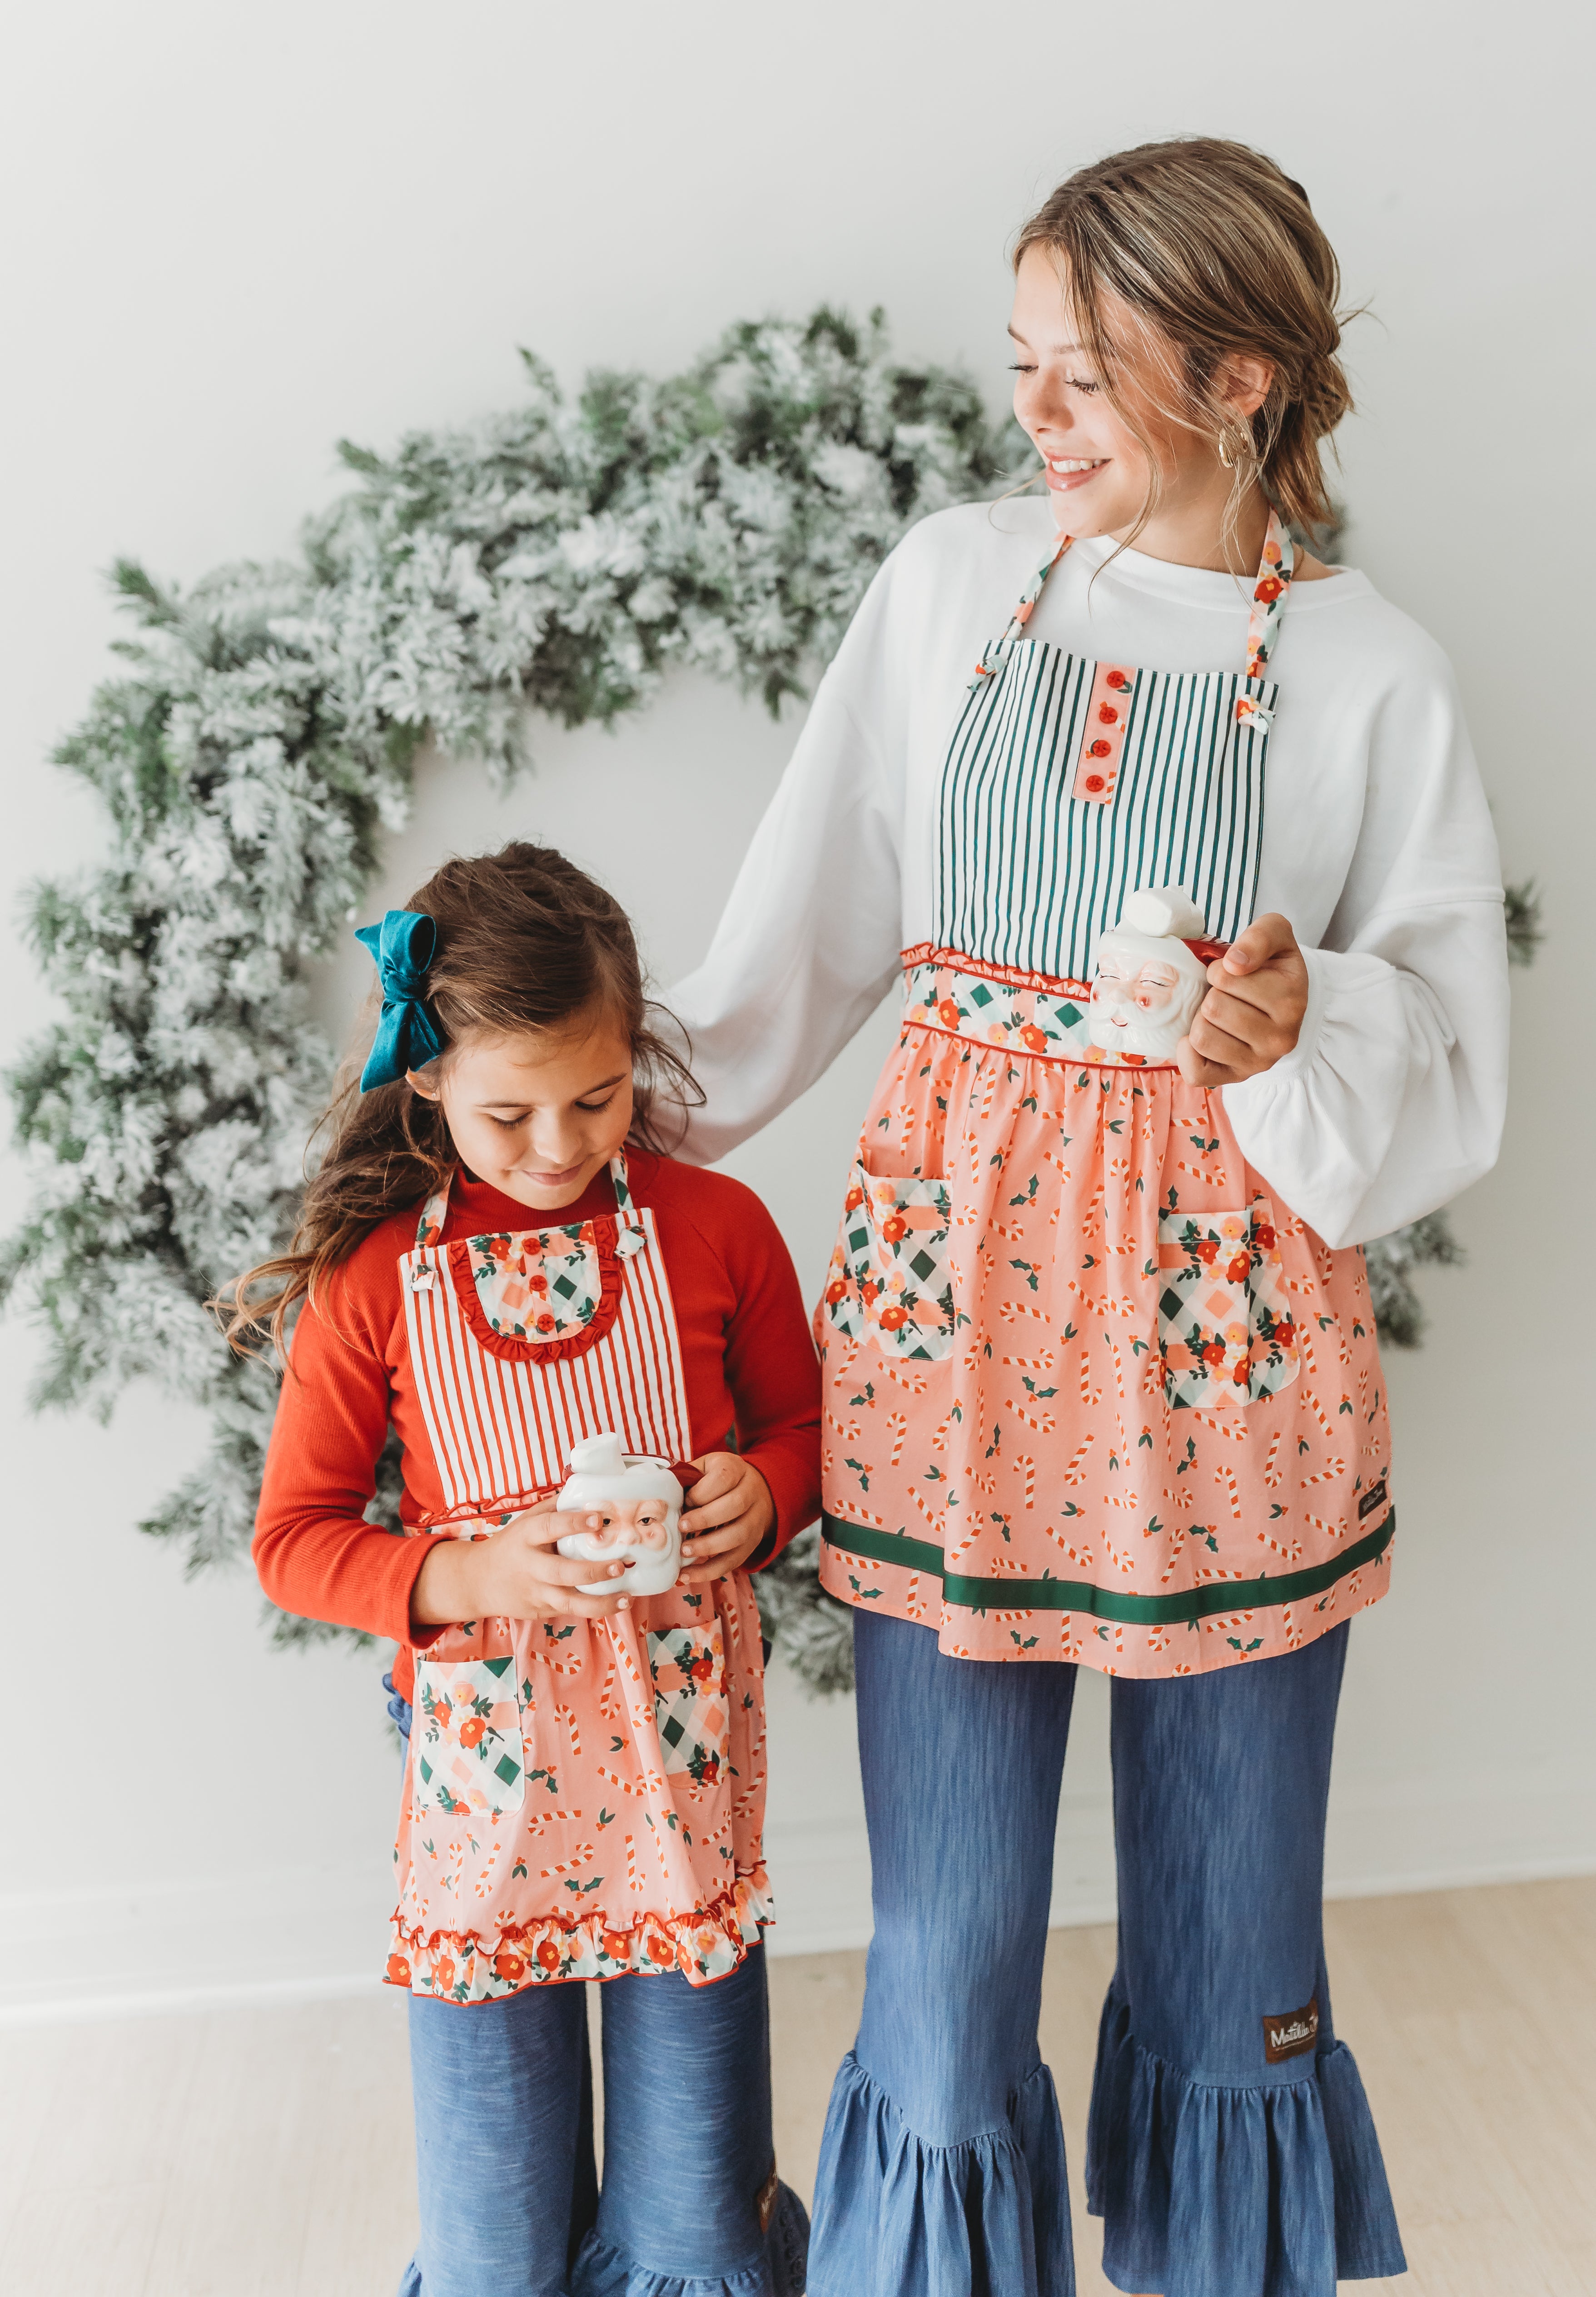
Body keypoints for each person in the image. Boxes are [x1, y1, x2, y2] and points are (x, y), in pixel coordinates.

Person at [670, 138, 1508, 2296]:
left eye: (1084, 377)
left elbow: (1445, 1044)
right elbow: (805, 934)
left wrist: (1296, 1020)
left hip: (1232, 1362)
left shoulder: (1374, 672)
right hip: (951, 1342)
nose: (1028, 419)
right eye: (1022, 366)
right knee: (943, 1962)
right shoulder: (955, 583)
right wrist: (547, 1131)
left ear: (1241, 382)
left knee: (1238, 1942)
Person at [234, 842, 817, 2297]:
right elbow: (294, 1541)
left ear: (637, 1059)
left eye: (597, 1098)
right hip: (485, 1775)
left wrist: (771, 1491)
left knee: (694, 2204)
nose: (558, 1145)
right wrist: (470, 1576)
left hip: (680, 1765)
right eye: (509, 1111)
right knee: (495, 2213)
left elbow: (806, 1426)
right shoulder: (378, 1275)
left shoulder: (718, 1230)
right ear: (424, 1078)